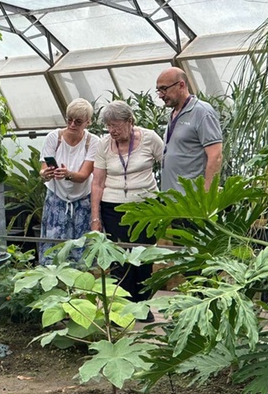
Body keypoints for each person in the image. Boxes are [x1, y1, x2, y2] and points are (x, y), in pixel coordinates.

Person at [91, 101, 164, 319]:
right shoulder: (104, 145)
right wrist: (95, 217)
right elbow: (97, 182)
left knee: (142, 258)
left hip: (146, 207)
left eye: (116, 125)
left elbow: (169, 165)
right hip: (112, 207)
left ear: (130, 122)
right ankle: (124, 307)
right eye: (108, 126)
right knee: (119, 259)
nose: (111, 131)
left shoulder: (151, 138)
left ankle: (142, 307)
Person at [38, 98, 100, 263]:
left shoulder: (93, 141)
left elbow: (84, 175)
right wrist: (47, 173)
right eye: (69, 120)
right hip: (56, 199)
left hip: (82, 200)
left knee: (82, 247)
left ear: (88, 122)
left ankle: (81, 284)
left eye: (78, 121)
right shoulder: (54, 137)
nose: (72, 125)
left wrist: (67, 174)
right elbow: (42, 170)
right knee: (54, 246)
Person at [156, 67, 223, 192]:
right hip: (172, 197)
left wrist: (208, 194)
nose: (160, 95)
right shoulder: (174, 113)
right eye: (158, 90)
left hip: (192, 199)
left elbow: (216, 155)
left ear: (181, 85)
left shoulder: (202, 112)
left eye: (164, 89)